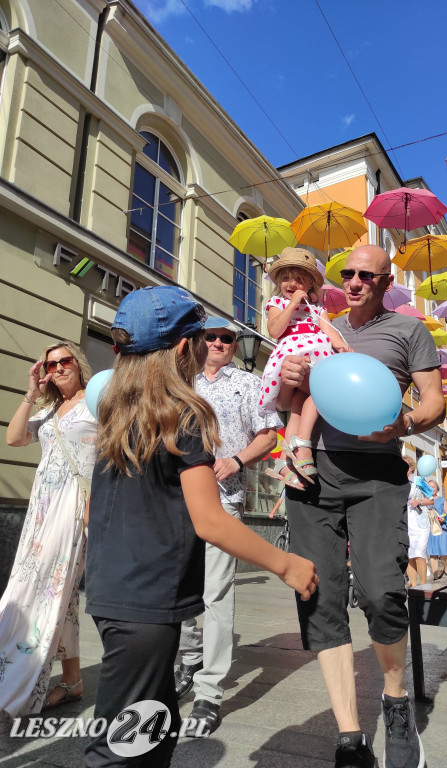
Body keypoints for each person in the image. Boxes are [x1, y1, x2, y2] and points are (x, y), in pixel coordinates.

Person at [84, 286, 317, 768]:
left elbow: (95, 510)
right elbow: (210, 521)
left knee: (153, 731)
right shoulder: (183, 415)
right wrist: (286, 563)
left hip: (113, 593)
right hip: (148, 605)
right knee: (120, 749)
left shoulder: (114, 412)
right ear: (181, 348)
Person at [277, 245, 445, 768]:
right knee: (319, 596)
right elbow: (289, 401)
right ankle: (350, 734)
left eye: (365, 275)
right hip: (312, 473)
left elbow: (436, 402)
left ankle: (395, 703)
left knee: (380, 592)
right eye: (346, 273)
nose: (353, 281)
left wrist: (406, 423)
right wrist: (286, 384)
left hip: (376, 474)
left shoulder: (408, 331)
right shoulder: (315, 323)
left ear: (386, 280)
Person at [174, 319, 282, 736]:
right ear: (200, 341)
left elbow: (269, 435)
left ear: (235, 345)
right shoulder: (182, 382)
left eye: (227, 339)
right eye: (211, 337)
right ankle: (187, 658)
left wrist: (236, 461)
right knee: (175, 586)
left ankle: (209, 690)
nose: (218, 343)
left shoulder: (248, 384)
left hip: (224, 501)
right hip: (177, 500)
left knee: (215, 593)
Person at [1, 341, 96, 720]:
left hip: (74, 507)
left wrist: (94, 503)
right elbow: (14, 438)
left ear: (78, 362)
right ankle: (72, 682)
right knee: (62, 594)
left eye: (63, 361)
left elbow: (112, 453)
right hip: (42, 510)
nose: (57, 368)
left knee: (42, 589)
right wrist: (31, 392)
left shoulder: (98, 400)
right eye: (50, 364)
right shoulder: (50, 408)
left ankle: (17, 683)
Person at [260, 247, 348, 488]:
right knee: (320, 392)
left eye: (299, 278)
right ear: (278, 281)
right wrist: (292, 304)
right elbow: (275, 330)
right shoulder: (277, 302)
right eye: (286, 277)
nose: (292, 283)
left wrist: (342, 346)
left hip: (318, 354)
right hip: (292, 353)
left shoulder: (317, 308)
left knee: (301, 404)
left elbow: (329, 330)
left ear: (311, 284)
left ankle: (286, 459)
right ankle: (303, 444)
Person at [405, 458, 431, 588]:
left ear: (411, 468)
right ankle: (414, 586)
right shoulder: (397, 482)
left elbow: (431, 500)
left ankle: (424, 585)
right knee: (410, 554)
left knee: (420, 553)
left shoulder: (419, 481)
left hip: (420, 521)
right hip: (405, 521)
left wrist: (419, 501)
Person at [426, 480, 447, 580]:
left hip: (441, 528)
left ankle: (446, 569)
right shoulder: (424, 500)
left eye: (433, 487)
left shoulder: (442, 500)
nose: (431, 489)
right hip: (430, 529)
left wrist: (443, 518)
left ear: (437, 489)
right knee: (432, 553)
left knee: (444, 552)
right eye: (429, 487)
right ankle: (435, 576)